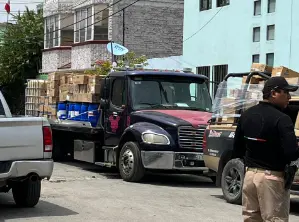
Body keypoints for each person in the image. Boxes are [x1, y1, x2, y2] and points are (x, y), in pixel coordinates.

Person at [232, 76, 299, 221]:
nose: (289, 97)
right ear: (274, 93)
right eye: (286, 92)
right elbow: (292, 153)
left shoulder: (246, 115)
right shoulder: (282, 119)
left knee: (251, 218)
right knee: (274, 219)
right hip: (272, 179)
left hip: (249, 177)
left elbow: (237, 149)